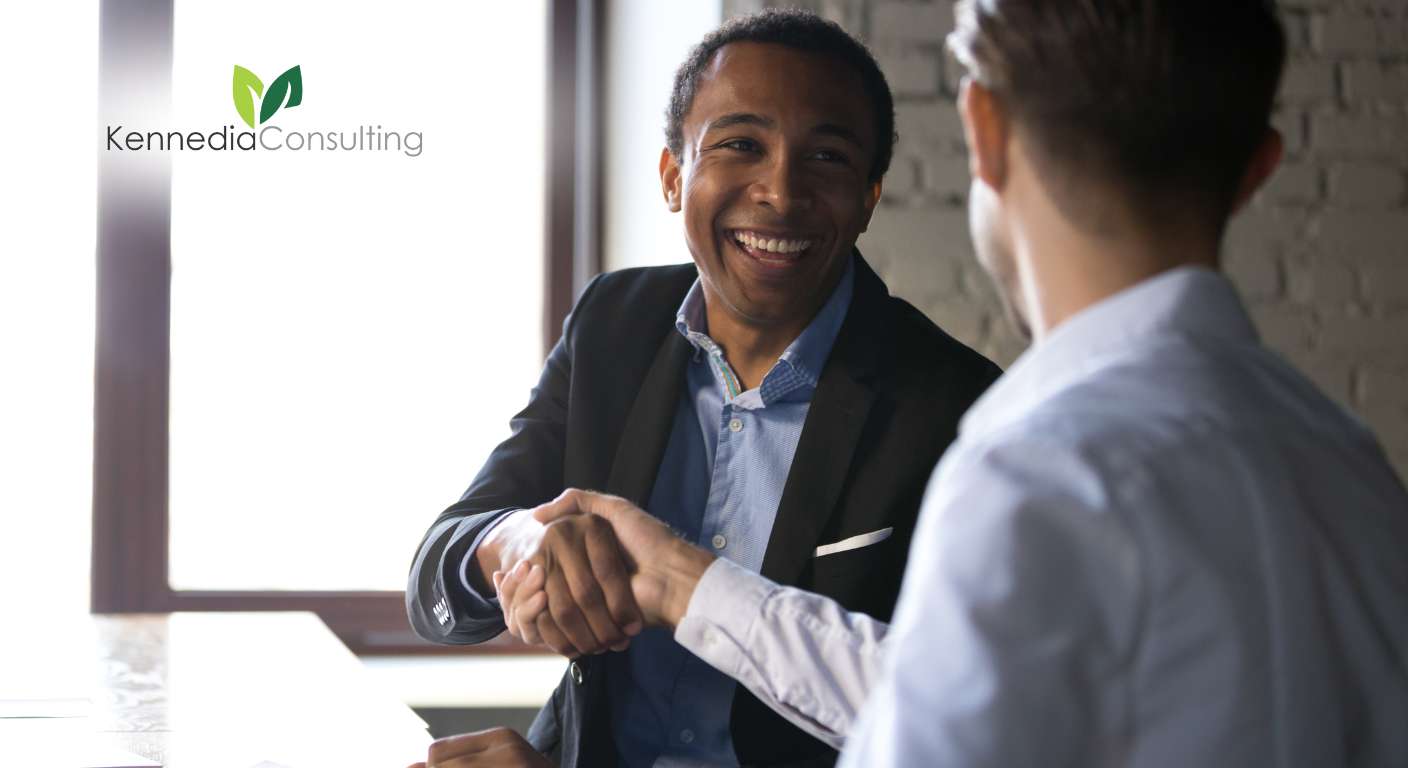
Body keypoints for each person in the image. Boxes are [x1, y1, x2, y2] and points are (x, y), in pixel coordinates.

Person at [492, 0, 1408, 766]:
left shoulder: (1034, 467)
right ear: (1259, 168)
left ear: (984, 131)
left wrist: (679, 582)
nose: (780, 191)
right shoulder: (1354, 469)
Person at [403, 8, 1000, 767]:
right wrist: (519, 541)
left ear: (869, 197)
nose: (781, 192)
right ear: (672, 176)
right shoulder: (614, 323)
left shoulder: (961, 409)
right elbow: (436, 578)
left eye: (827, 157)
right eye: (741, 144)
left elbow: (965, 719)